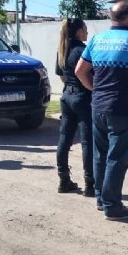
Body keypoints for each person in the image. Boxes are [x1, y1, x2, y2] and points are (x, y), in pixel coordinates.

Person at [75, 1, 128, 221]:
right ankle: (112, 206)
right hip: (123, 108)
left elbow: (79, 71)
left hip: (98, 107)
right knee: (117, 157)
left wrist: (94, 89)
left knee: (100, 154)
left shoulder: (97, 39)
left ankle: (101, 199)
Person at [55, 18, 93, 195]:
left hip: (66, 96)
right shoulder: (83, 50)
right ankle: (90, 184)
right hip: (82, 96)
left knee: (64, 139)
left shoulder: (62, 49)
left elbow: (61, 76)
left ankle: (64, 180)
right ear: (79, 31)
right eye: (85, 29)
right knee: (87, 141)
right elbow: (88, 74)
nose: (87, 32)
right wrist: (91, 88)